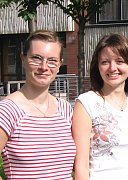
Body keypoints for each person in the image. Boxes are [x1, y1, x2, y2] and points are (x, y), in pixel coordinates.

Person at [72, 34, 128, 179]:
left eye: (119, 61)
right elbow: (81, 165)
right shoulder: (86, 103)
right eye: (105, 62)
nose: (112, 68)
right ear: (98, 66)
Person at [0, 30, 75, 179]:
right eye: (36, 58)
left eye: (52, 60)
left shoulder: (66, 109)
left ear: (60, 64)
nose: (44, 67)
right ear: (23, 58)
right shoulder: (7, 110)